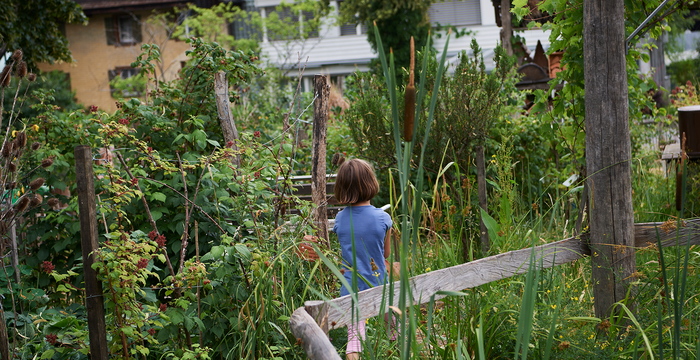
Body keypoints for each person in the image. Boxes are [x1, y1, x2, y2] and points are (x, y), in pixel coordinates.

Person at [332, 158, 395, 360]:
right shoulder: (383, 218)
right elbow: (385, 254)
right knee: (395, 329)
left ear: (342, 188)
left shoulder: (340, 219)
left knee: (355, 337)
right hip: (379, 286)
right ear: (371, 183)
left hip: (351, 288)